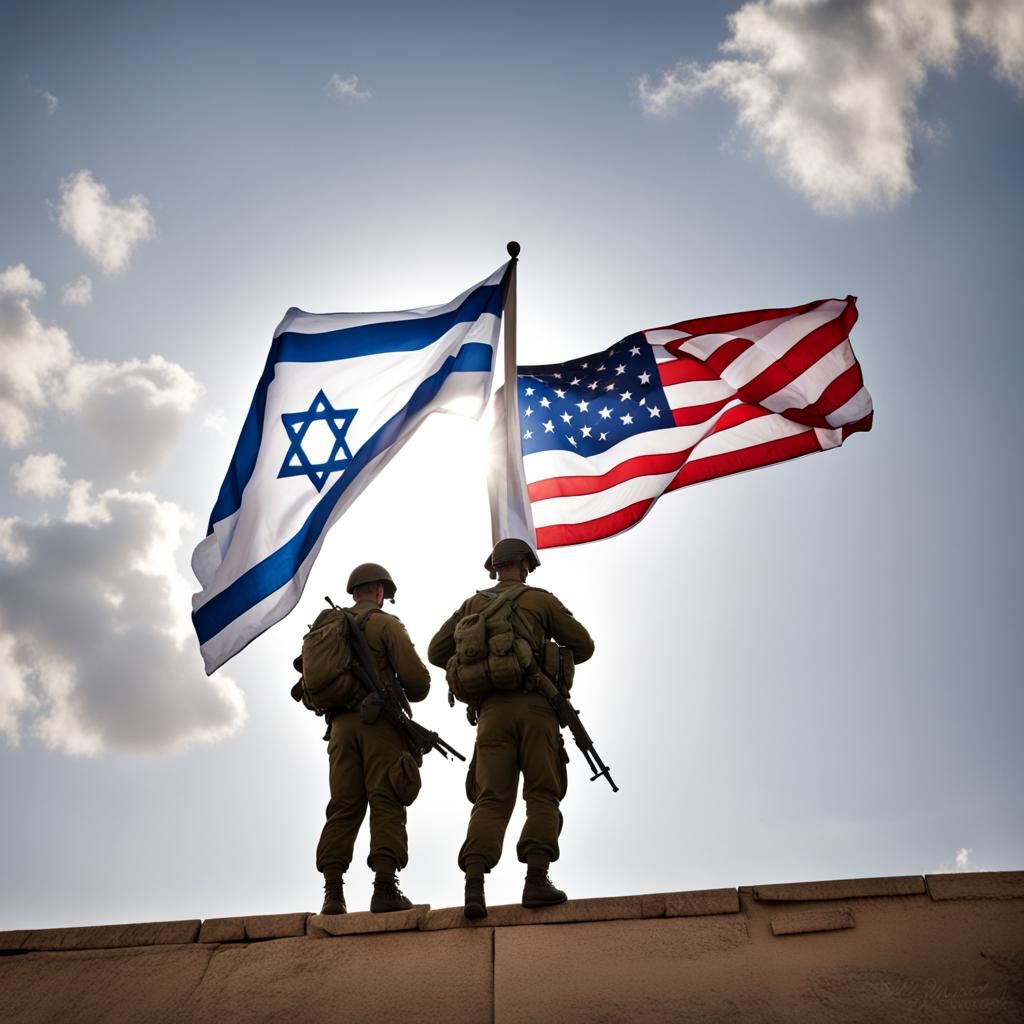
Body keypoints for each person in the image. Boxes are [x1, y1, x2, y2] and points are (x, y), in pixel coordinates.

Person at [427, 538, 594, 919]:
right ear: (524, 565)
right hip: (537, 709)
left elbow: (437, 651)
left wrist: (480, 663)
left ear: (493, 568)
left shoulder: (472, 605)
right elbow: (584, 645)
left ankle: (474, 885)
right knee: (542, 792)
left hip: (490, 716)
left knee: (490, 798)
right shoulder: (540, 600)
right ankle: (536, 880)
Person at [314, 562, 431, 915]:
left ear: (354, 592)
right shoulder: (385, 623)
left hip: (339, 729)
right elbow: (418, 683)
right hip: (379, 725)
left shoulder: (330, 627)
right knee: (387, 799)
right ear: (380, 592)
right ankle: (384, 888)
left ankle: (332, 894)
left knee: (344, 805)